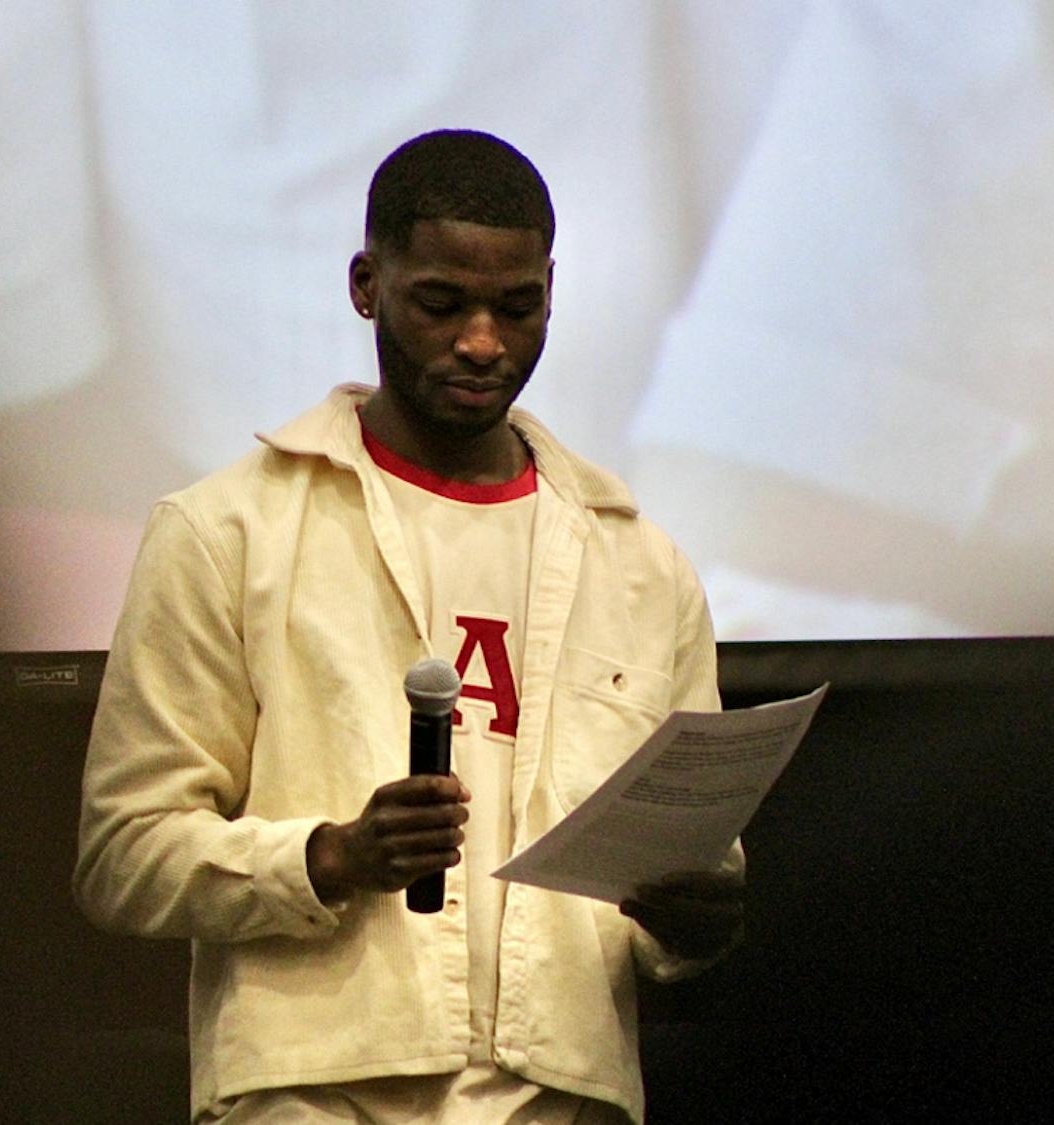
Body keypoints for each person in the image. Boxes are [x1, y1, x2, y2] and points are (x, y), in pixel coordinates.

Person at [74, 130, 744, 1124]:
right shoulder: (228, 530)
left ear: (551, 293)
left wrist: (699, 917)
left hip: (561, 1089)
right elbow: (122, 857)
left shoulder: (640, 563)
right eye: (441, 304)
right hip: (310, 1087)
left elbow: (697, 867)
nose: (483, 342)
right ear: (365, 284)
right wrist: (331, 857)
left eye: (518, 308)